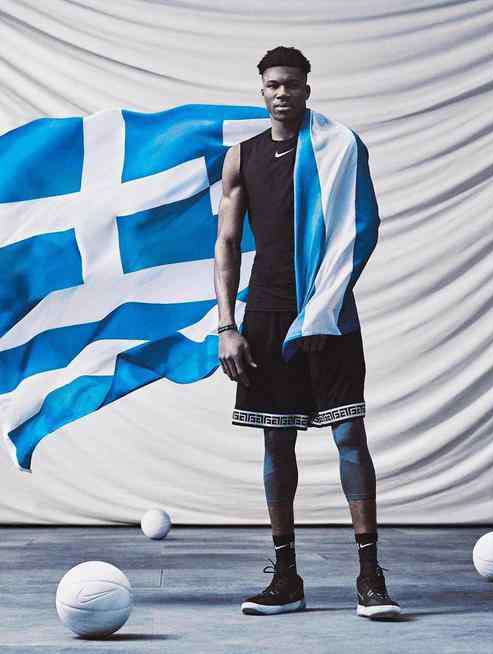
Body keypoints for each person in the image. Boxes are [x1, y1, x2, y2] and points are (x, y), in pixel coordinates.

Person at [213, 45, 401, 619]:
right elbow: (226, 243)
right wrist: (227, 326)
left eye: (291, 84)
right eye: (273, 84)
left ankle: (370, 576)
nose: (281, 93)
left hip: (330, 309)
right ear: (261, 90)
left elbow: (361, 228)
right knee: (276, 440)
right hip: (265, 314)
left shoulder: (338, 147)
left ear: (306, 89)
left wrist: (323, 307)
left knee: (349, 435)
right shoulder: (241, 157)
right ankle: (286, 578)